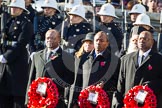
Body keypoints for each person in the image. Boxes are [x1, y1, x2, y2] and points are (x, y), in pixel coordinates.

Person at [68, 31, 120, 108]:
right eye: (96, 40)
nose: (98, 42)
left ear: (107, 43)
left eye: (101, 40)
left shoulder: (114, 60)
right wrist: (74, 101)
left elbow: (117, 81)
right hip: (83, 101)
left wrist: (105, 85)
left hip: (102, 103)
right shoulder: (84, 57)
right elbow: (77, 80)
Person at [112, 31, 162, 108]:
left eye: (145, 39)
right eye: (140, 39)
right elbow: (121, 82)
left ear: (152, 42)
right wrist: (119, 103)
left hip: (149, 104)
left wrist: (151, 85)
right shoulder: (125, 59)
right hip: (128, 103)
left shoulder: (159, 59)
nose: (142, 41)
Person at [26, 29, 74, 108]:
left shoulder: (67, 57)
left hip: (56, 99)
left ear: (59, 39)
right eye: (47, 38)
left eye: (53, 38)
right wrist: (27, 100)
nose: (49, 40)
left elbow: (69, 79)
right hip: (38, 99)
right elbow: (31, 78)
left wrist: (52, 84)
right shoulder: (37, 56)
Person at [0, 0, 34, 107]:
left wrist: (7, 56)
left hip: (17, 61)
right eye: (11, 7)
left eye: (15, 7)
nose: (12, 9)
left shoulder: (26, 23)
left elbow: (21, 42)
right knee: (4, 95)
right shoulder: (8, 21)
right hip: (4, 62)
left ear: (21, 9)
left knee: (17, 95)